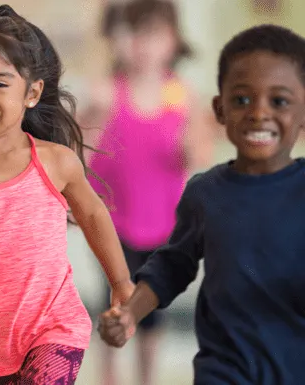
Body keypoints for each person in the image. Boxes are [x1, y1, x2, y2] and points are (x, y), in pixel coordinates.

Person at [0, 3, 135, 384]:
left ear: (32, 93)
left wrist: (120, 283)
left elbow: (94, 216)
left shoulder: (56, 162)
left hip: (55, 327)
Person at [98, 23, 305, 385]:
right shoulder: (205, 193)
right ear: (219, 109)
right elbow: (171, 267)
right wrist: (131, 313)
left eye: (279, 101)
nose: (258, 113)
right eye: (242, 99)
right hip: (222, 369)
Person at [78, 1, 216, 383]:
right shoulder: (107, 92)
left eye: (154, 34)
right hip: (110, 222)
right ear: (120, 40)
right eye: (136, 34)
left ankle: (146, 377)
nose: (144, 45)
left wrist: (193, 134)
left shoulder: (182, 95)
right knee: (115, 303)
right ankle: (108, 377)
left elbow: (196, 156)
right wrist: (94, 113)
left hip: (163, 224)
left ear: (173, 41)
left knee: (151, 310)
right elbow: (78, 156)